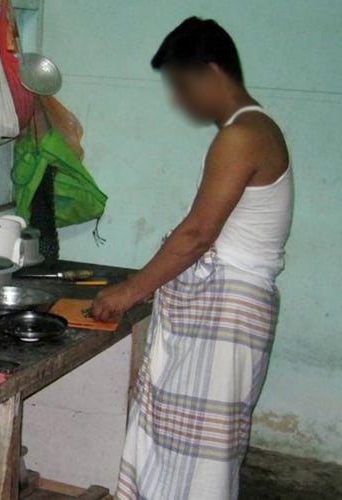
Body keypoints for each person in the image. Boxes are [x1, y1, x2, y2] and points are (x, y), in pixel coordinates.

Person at [91, 17, 294, 500]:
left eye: (182, 86)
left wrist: (127, 293)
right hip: (224, 315)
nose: (179, 101)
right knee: (186, 447)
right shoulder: (255, 129)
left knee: (201, 459)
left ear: (212, 71)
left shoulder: (242, 136)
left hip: (227, 316)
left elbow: (197, 235)